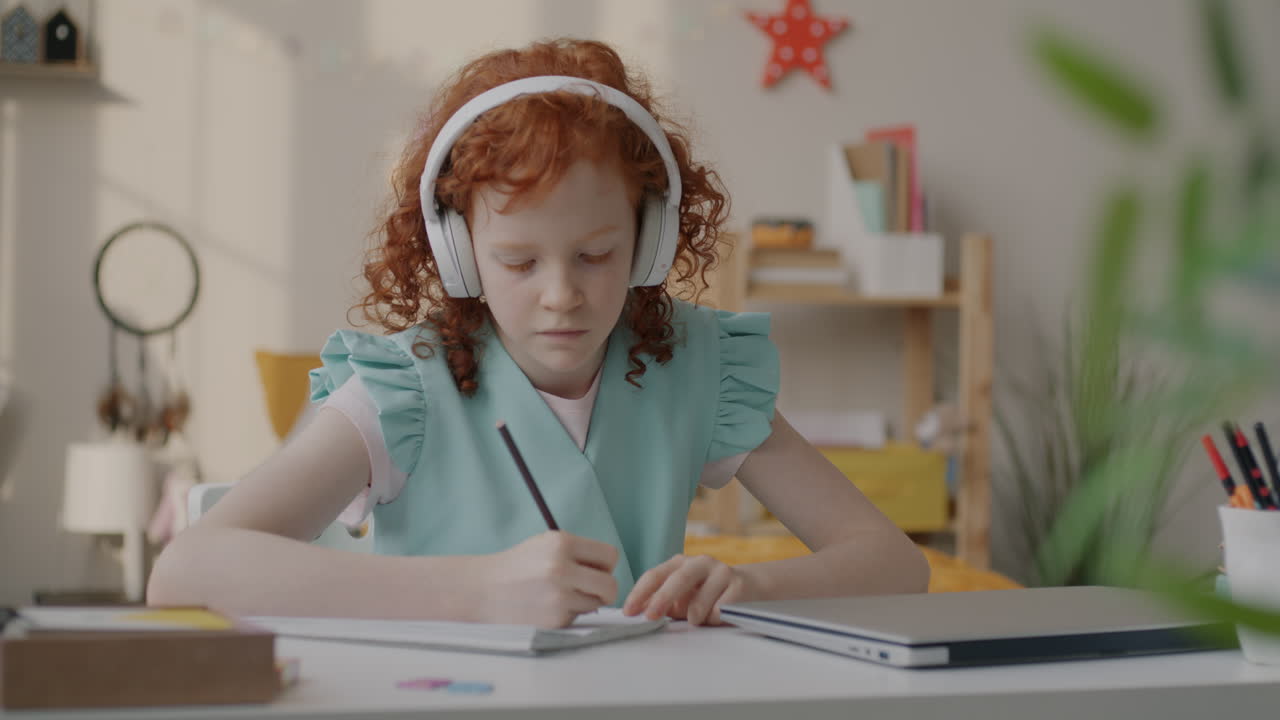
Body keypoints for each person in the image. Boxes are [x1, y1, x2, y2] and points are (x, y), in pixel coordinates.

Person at [147, 38, 928, 628]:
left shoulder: (699, 366)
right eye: (518, 261)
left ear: (650, 240)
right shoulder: (399, 390)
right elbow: (186, 569)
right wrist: (475, 590)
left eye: (597, 254)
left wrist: (749, 586)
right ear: (458, 253)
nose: (563, 296)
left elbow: (893, 563)